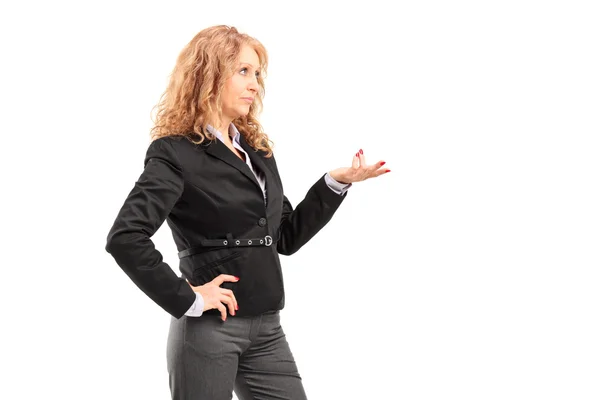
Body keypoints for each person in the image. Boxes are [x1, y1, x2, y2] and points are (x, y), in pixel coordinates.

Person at [105, 25, 390, 400]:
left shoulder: (257, 151)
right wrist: (188, 298)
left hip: (267, 326)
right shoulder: (174, 153)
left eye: (257, 73)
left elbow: (284, 238)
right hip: (209, 330)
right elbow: (125, 237)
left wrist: (334, 183)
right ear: (207, 75)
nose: (255, 84)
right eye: (242, 71)